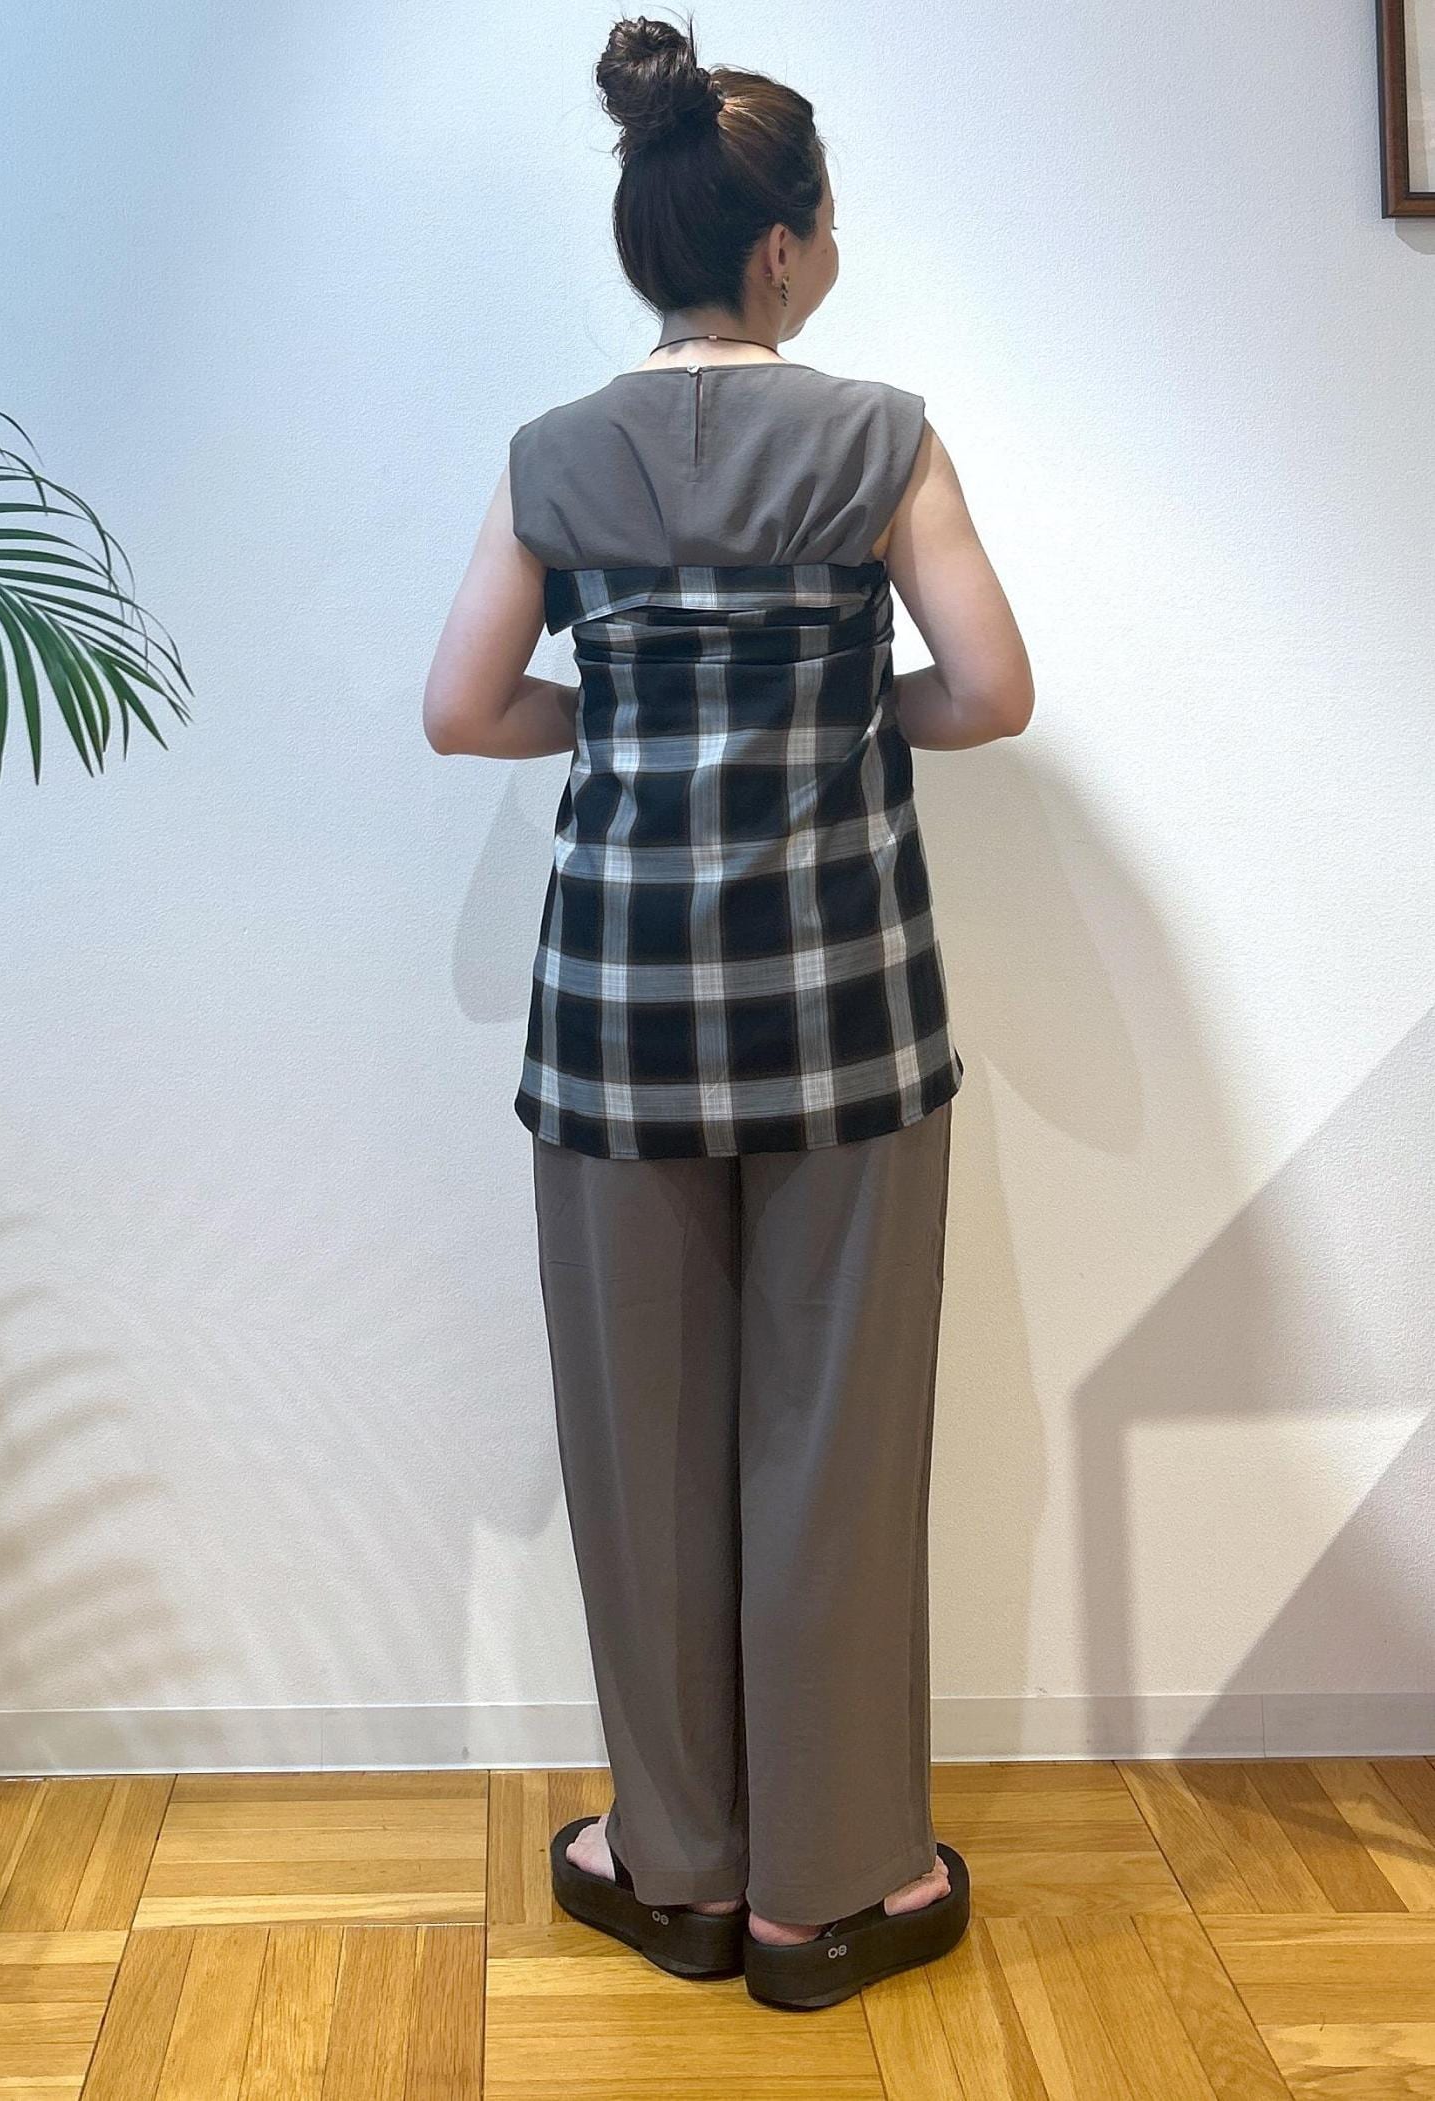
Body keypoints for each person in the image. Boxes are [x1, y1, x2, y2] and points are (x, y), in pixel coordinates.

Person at [423, 12, 1032, 2009]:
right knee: (829, 1446)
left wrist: (626, 709)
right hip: (847, 1019)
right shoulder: (881, 436)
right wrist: (849, 709)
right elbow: (992, 687)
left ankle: (674, 1862)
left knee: (642, 1448)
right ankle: (830, 1888)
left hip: (616, 1029)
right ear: (780, 247)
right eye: (824, 220)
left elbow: (462, 711)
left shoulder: (554, 453)